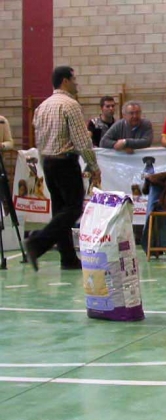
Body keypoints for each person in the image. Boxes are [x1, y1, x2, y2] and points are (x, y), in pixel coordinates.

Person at [26, 66, 101, 271]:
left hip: (48, 162)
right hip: (65, 162)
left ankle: (68, 258)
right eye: (74, 79)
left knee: (60, 210)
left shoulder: (42, 107)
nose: (77, 83)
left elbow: (39, 137)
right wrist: (93, 166)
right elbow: (81, 141)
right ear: (65, 81)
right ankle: (38, 242)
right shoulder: (70, 105)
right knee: (73, 208)